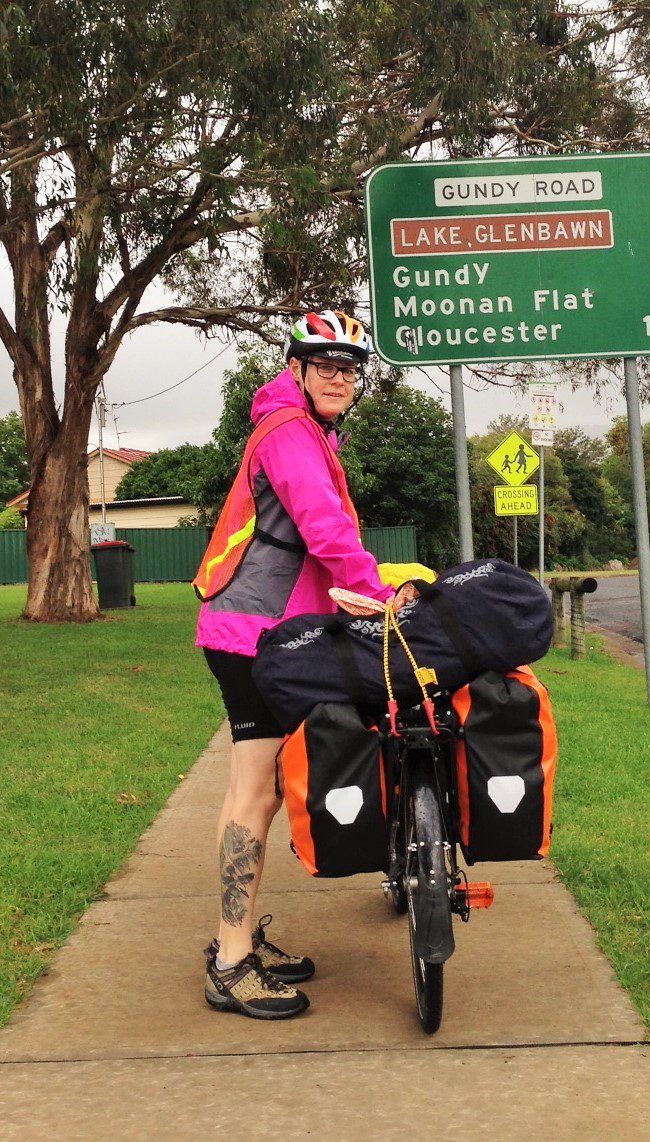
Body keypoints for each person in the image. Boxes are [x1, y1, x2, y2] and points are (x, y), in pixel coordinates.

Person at [196, 309, 400, 1020]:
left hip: (260, 632)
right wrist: (378, 594)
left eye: (349, 368)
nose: (339, 377)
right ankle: (229, 961)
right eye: (325, 365)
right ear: (297, 369)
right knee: (255, 792)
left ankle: (239, 935)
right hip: (252, 635)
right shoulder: (289, 433)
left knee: (257, 790)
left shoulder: (303, 428)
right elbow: (324, 528)